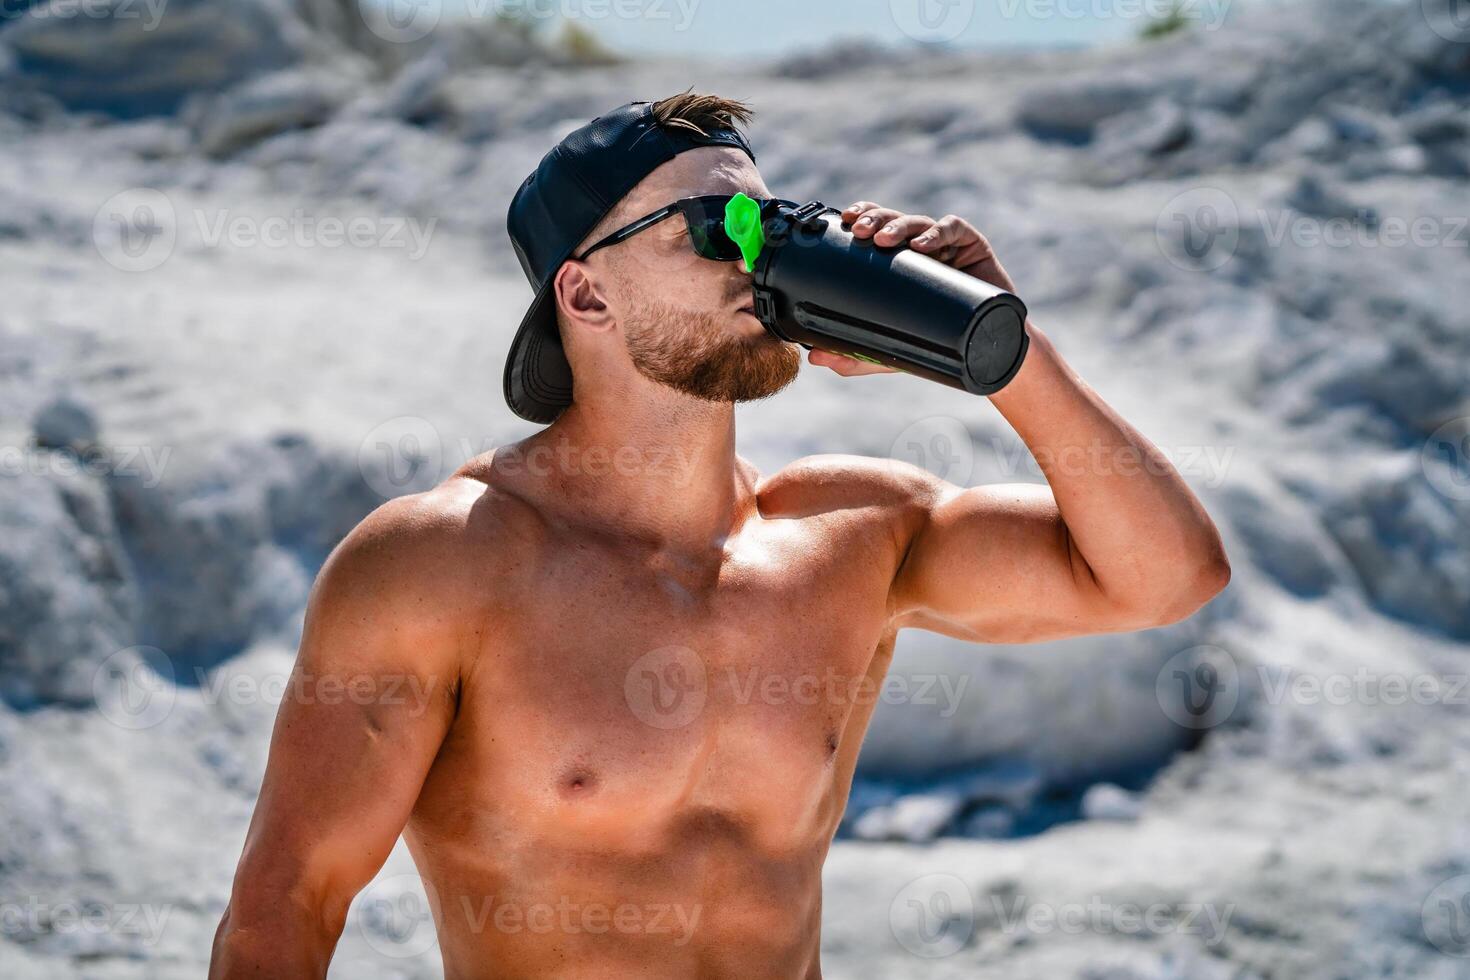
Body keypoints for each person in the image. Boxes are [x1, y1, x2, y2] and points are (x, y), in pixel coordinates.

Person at [209, 92, 1229, 979]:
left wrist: (1007, 344)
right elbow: (284, 913)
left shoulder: (845, 533)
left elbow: (1168, 576)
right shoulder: (443, 563)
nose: (755, 252)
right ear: (587, 291)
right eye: (715, 224)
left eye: (769, 221)